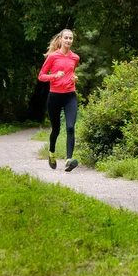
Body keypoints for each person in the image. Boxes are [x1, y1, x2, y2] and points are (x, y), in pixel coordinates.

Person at [38, 29, 80, 171]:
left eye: (71, 38)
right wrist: (54, 76)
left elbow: (71, 71)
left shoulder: (75, 58)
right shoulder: (52, 57)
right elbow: (41, 76)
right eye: (66, 38)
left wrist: (74, 77)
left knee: (70, 127)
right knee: (55, 129)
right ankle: (51, 152)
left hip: (70, 96)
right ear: (61, 39)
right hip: (55, 96)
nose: (68, 40)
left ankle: (69, 159)